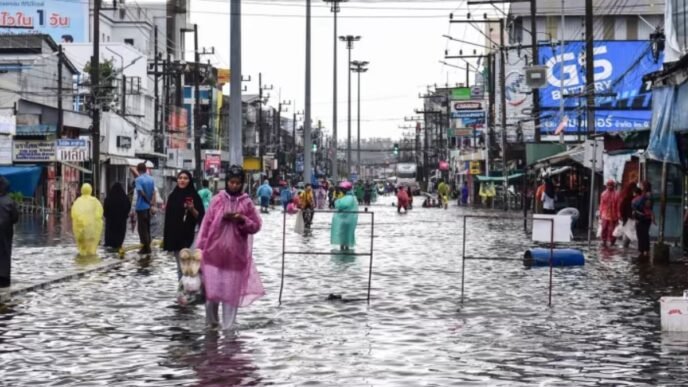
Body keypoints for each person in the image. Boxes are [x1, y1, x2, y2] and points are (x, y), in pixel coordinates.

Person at [196, 165, 264, 330]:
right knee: (211, 296)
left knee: (230, 297)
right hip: (213, 255)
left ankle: (228, 331)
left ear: (242, 184)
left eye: (237, 183)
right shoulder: (217, 200)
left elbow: (256, 225)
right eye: (231, 182)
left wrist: (242, 219)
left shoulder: (247, 203)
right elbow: (206, 226)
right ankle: (211, 328)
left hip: (235, 257)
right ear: (226, 182)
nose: (234, 185)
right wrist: (199, 250)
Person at [163, 171, 205, 276]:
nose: (182, 180)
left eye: (185, 178)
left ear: (189, 181)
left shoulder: (195, 196)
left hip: (192, 235)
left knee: (192, 266)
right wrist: (168, 240)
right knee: (181, 267)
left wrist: (191, 209)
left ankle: (195, 289)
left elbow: (202, 217)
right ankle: (182, 290)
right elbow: (168, 220)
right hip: (177, 237)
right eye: (180, 178)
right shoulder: (172, 196)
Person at [71, 183, 104, 257]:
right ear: (90, 190)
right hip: (91, 230)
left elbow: (73, 214)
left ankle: (82, 258)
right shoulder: (95, 201)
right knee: (91, 252)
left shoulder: (77, 201)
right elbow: (100, 213)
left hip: (80, 230)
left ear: (82, 190)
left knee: (82, 250)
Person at [131, 163, 156, 254]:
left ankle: (145, 248)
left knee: (142, 229)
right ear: (145, 169)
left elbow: (141, 192)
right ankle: (148, 246)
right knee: (147, 226)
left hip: (141, 206)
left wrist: (147, 200)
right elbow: (153, 192)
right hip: (148, 207)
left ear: (138, 169)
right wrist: (152, 203)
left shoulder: (138, 180)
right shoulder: (151, 179)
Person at [0, 176, 18, 287]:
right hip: (6, 231)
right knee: (5, 252)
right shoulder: (10, 202)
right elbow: (15, 218)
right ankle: (4, 278)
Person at [331, 181, 359, 251]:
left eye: (342, 189)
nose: (341, 191)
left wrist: (336, 200)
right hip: (347, 220)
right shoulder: (352, 197)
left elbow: (341, 205)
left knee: (344, 236)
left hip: (345, 220)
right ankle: (345, 250)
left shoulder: (349, 197)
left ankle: (344, 251)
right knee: (345, 236)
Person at [103, 182, 131, 250]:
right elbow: (128, 208)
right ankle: (118, 245)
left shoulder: (109, 198)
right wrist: (125, 215)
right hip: (121, 222)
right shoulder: (125, 198)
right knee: (119, 237)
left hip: (111, 222)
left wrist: (106, 215)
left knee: (110, 236)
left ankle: (109, 245)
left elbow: (105, 209)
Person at [633, 181, 654, 258]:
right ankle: (642, 249)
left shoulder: (646, 195)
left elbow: (641, 205)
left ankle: (645, 250)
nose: (640, 187)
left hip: (644, 217)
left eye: (641, 185)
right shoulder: (644, 195)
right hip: (643, 216)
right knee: (641, 233)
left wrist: (635, 203)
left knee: (643, 233)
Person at [618, 183, 639, 248]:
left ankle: (625, 245)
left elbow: (621, 207)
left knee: (628, 231)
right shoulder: (628, 197)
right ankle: (625, 245)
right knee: (628, 231)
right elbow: (622, 207)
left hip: (628, 216)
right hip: (628, 216)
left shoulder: (626, 195)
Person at [599, 179, 619, 247]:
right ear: (606, 186)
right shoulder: (603, 194)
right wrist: (600, 213)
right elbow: (601, 204)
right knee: (604, 228)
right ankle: (604, 240)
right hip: (605, 214)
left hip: (614, 214)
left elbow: (618, 205)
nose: (610, 187)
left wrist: (618, 215)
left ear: (613, 186)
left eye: (611, 185)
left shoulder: (616, 194)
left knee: (612, 229)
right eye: (608, 185)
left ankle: (612, 241)